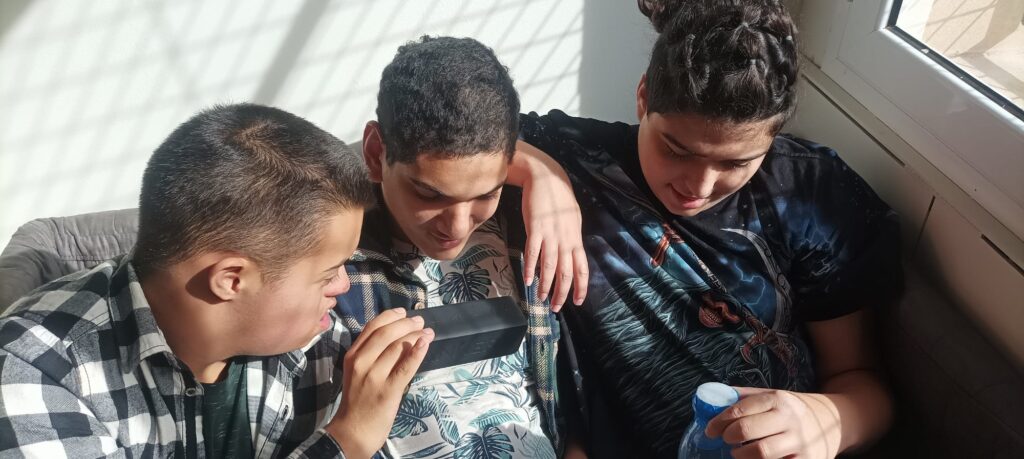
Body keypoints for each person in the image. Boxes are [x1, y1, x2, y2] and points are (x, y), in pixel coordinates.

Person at [517, 1, 903, 458]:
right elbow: (451, 138)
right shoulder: (581, 159)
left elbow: (864, 385)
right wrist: (539, 170)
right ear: (643, 97)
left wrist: (824, 420)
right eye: (676, 150)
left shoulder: (808, 195)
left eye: (736, 163)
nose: (697, 188)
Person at [0, 103, 418, 457]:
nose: (344, 287)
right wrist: (347, 442)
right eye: (328, 273)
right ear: (231, 280)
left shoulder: (314, 337)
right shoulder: (35, 373)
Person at [332, 36, 587, 459]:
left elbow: (566, 390)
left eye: (486, 194)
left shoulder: (525, 224)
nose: (457, 226)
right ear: (377, 154)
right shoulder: (331, 266)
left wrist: (546, 174)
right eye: (429, 195)